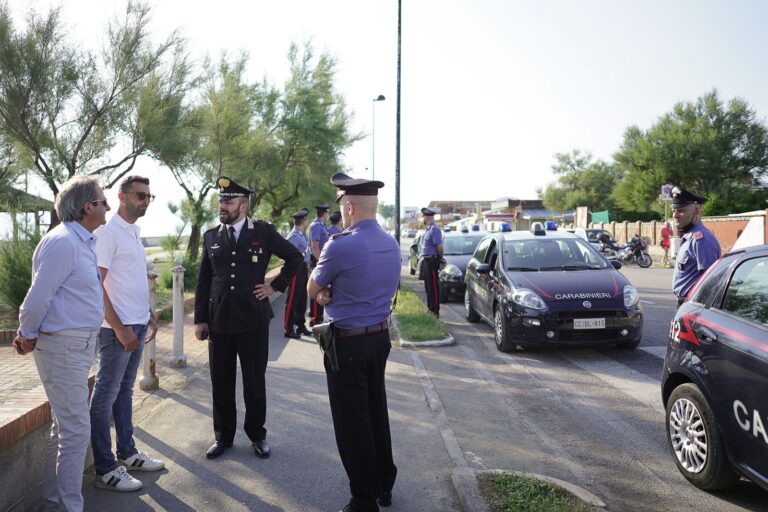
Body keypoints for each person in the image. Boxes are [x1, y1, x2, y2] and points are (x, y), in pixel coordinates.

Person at [13, 176, 110, 512]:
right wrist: (26, 334)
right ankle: (69, 508)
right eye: (102, 200)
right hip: (63, 346)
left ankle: (56, 503)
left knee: (65, 427)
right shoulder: (63, 242)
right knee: (76, 432)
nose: (107, 206)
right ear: (87, 207)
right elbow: (37, 298)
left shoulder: (83, 242)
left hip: (79, 345)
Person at [308, 172, 400, 512]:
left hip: (347, 345)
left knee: (352, 423)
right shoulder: (390, 243)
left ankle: (364, 498)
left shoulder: (339, 245)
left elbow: (312, 288)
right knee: (376, 412)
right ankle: (384, 484)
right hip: (379, 338)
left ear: (348, 207)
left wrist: (325, 295)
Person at [194, 176, 302, 459]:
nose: (222, 206)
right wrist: (200, 320)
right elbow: (204, 281)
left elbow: (294, 258)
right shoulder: (211, 236)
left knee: (254, 381)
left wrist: (274, 286)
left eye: (228, 201)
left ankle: (257, 435)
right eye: (220, 201)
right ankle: (223, 437)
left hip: (252, 320)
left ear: (243, 206)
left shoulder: (263, 232)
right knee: (221, 382)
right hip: (219, 323)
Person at [90, 175, 164, 492]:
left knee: (124, 392)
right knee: (105, 397)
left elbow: (130, 280)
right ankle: (105, 469)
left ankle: (128, 453)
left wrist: (147, 313)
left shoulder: (133, 233)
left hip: (135, 324)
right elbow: (97, 284)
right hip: (115, 330)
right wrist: (119, 327)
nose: (145, 200)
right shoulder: (108, 234)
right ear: (121, 196)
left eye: (148, 196)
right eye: (139, 195)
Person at [671, 186, 721, 305]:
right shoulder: (690, 236)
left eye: (681, 211)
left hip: (695, 305)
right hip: (687, 303)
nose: (675, 215)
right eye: (674, 211)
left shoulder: (701, 239)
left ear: (697, 211)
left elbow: (711, 281)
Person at [284, 208, 311, 339]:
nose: (308, 221)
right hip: (296, 269)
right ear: (304, 221)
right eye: (307, 219)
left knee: (301, 299)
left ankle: (300, 325)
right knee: (293, 299)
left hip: (303, 268)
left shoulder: (300, 234)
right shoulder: (294, 236)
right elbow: (289, 256)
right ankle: (288, 328)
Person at [419, 207, 444, 317]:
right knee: (428, 286)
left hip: (432, 261)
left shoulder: (434, 229)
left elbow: (440, 247)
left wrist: (441, 257)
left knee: (433, 286)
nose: (422, 219)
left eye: (423, 217)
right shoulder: (428, 229)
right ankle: (430, 308)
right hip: (426, 260)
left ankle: (435, 311)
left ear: (426, 217)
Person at [309, 203, 330, 325]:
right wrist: (321, 262)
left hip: (322, 260)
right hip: (318, 260)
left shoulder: (322, 225)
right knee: (317, 289)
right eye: (327, 213)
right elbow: (315, 247)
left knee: (322, 289)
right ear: (325, 213)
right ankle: (315, 319)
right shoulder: (316, 225)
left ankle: (319, 317)